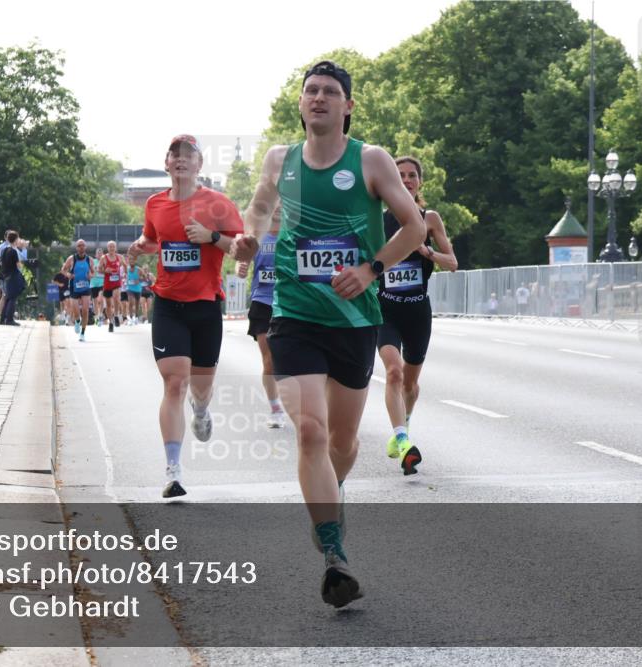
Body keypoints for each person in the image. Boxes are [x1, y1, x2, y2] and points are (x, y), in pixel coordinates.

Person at [232, 61, 426, 608]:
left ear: (347, 106)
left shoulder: (370, 160)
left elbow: (412, 227)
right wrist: (247, 241)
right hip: (293, 316)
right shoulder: (280, 159)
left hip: (355, 320)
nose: (319, 98)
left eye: (330, 92)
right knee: (311, 433)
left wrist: (369, 270)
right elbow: (259, 215)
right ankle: (335, 554)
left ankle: (328, 500)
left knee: (342, 442)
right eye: (310, 91)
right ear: (301, 103)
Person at [128, 134, 244, 499]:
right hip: (167, 304)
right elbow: (154, 240)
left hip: (206, 305)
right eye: (174, 155)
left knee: (200, 388)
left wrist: (211, 237)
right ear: (167, 164)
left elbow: (243, 249)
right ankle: (173, 469)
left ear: (199, 165)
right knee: (174, 383)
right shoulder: (154, 204)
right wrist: (139, 248)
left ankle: (203, 410)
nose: (180, 160)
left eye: (188, 155)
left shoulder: (218, 204)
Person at [376, 156, 458, 474]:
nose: (407, 179)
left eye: (412, 175)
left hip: (418, 312)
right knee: (393, 373)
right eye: (400, 175)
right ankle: (401, 439)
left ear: (419, 182)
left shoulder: (430, 218)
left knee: (410, 385)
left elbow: (452, 262)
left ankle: (404, 426)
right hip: (385, 309)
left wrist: (428, 252)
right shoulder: (378, 220)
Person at [236, 204, 286, 429]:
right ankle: (275, 408)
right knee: (269, 358)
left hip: (289, 303)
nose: (277, 207)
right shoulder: (257, 236)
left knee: (290, 358)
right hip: (262, 300)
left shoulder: (293, 236)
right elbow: (242, 258)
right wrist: (242, 267)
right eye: (274, 203)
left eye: (282, 203)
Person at [62, 239, 94, 342]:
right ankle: (77, 321)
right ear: (76, 248)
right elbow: (63, 270)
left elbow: (94, 273)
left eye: (83, 245)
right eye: (79, 246)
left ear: (85, 247)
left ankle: (83, 333)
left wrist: (91, 276)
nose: (81, 247)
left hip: (85, 287)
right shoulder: (71, 259)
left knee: (85, 310)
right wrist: (68, 275)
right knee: (75, 310)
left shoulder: (89, 260)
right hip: (74, 287)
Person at [97, 241, 125, 332]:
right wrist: (105, 271)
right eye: (110, 247)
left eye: (113, 247)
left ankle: (116, 315)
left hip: (117, 283)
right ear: (107, 248)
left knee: (116, 298)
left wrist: (125, 274)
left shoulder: (120, 257)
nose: (112, 248)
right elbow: (98, 270)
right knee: (108, 305)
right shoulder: (103, 258)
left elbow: (125, 265)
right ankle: (111, 322)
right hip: (107, 284)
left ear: (115, 248)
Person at [0, 231, 26, 326]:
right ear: (15, 239)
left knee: (7, 297)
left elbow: (1, 263)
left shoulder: (4, 250)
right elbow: (18, 265)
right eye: (18, 238)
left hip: (6, 276)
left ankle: (2, 319)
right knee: (12, 298)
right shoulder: (13, 251)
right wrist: (22, 265)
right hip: (13, 276)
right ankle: (9, 319)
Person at [90, 248, 106, 325]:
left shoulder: (105, 261)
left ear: (103, 254)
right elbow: (89, 271)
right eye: (98, 253)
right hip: (93, 283)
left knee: (100, 299)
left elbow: (107, 271)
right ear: (96, 255)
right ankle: (96, 317)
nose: (99, 255)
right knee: (95, 301)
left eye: (101, 253)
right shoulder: (93, 262)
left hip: (102, 283)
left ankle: (101, 314)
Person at [126, 258, 143, 323]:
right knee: (131, 302)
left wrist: (139, 280)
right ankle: (130, 317)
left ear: (135, 261)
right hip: (130, 288)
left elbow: (144, 277)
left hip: (138, 289)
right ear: (129, 261)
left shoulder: (138, 269)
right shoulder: (127, 269)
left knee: (137, 304)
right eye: (130, 260)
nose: (131, 261)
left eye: (133, 260)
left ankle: (136, 316)